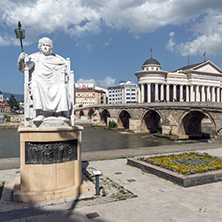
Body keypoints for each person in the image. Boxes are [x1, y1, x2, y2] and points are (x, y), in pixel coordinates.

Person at [17, 37, 72, 125]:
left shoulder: (58, 60)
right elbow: (24, 68)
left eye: (47, 45)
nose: (45, 47)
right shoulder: (35, 58)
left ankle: (60, 113)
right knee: (35, 84)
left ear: (51, 48)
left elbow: (65, 73)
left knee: (62, 86)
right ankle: (40, 113)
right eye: (43, 45)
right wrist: (20, 60)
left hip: (54, 83)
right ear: (40, 47)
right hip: (40, 82)